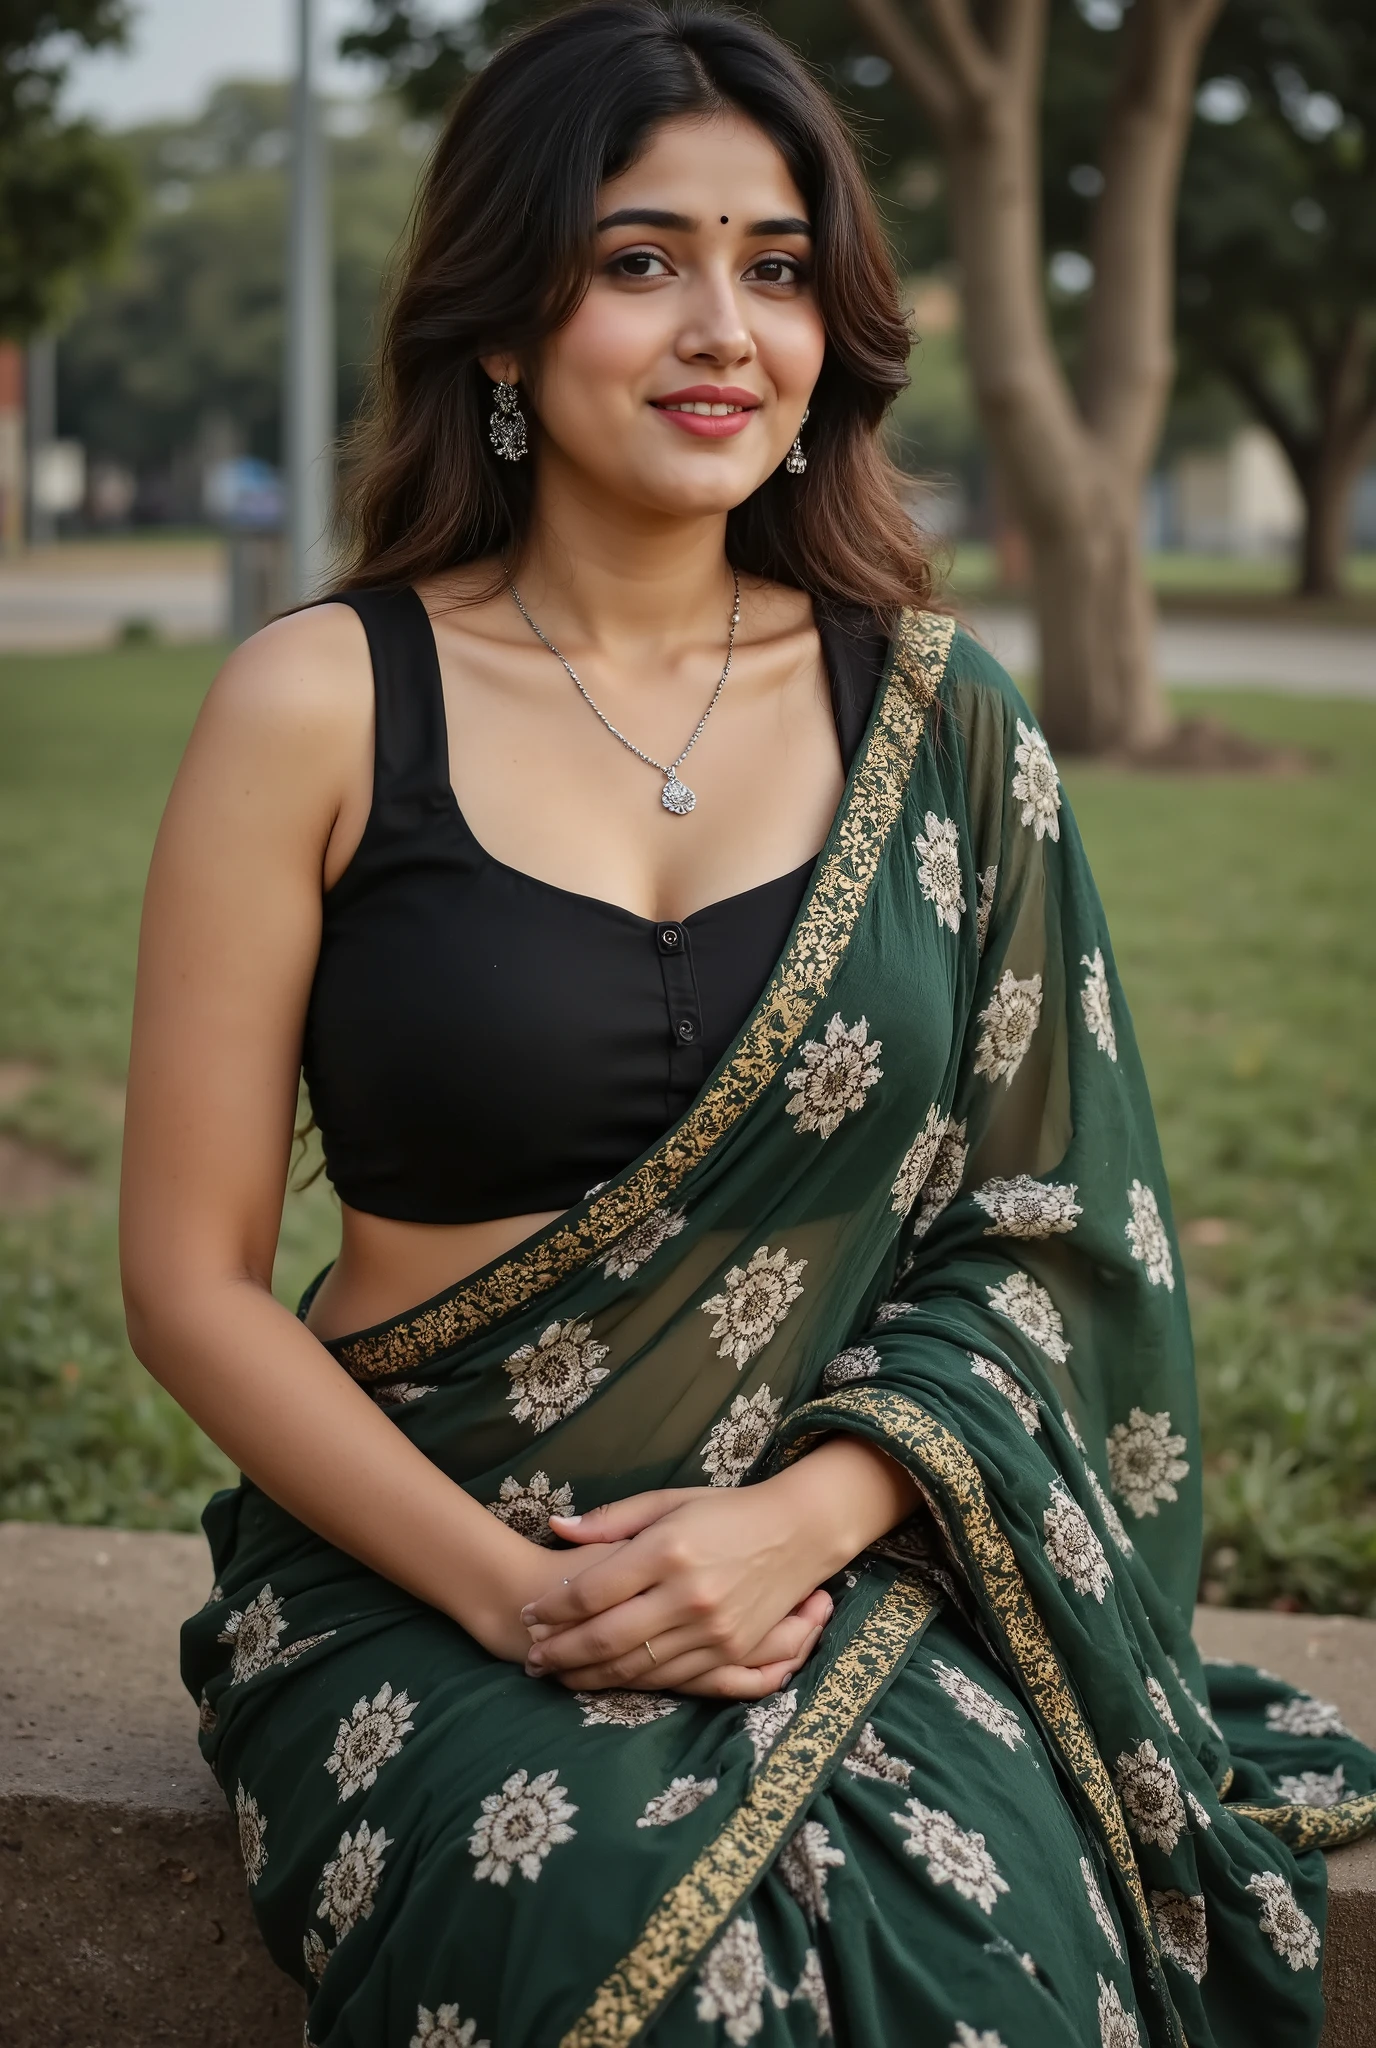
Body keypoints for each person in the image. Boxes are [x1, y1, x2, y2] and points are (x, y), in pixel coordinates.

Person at [119, 7, 1374, 2045]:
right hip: (414, 1563)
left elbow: (1052, 1229)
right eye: (640, 260)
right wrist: (521, 1591)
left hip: (842, 1561)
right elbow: (188, 1282)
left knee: (976, 1954)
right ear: (502, 328)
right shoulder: (321, 701)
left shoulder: (945, 725)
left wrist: (799, 1517)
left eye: (774, 267)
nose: (723, 325)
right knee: (616, 1937)